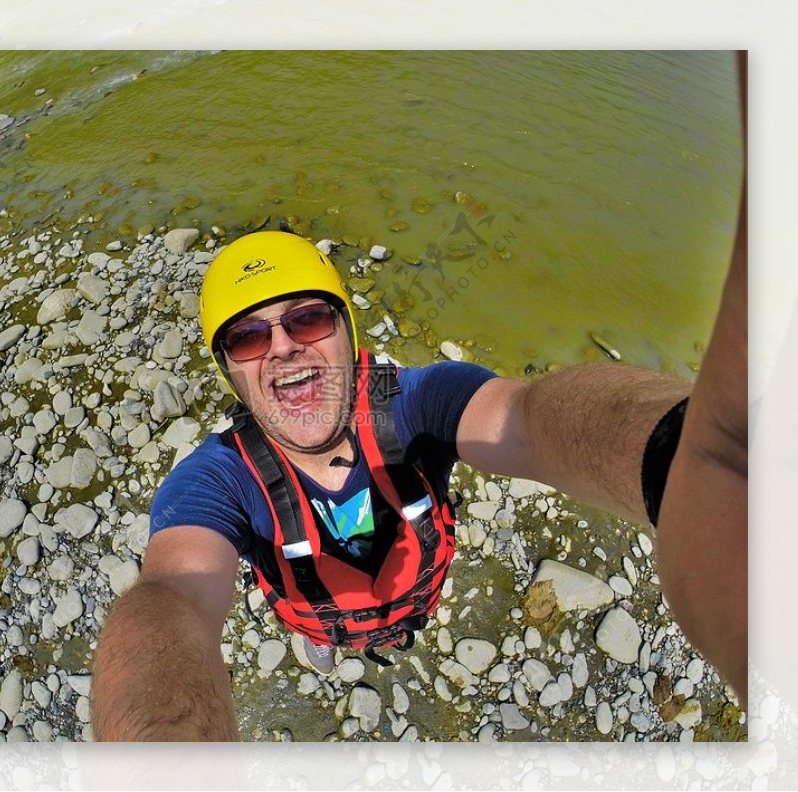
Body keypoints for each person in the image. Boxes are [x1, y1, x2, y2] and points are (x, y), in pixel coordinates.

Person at [91, 198, 747, 741]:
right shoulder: (215, 482)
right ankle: (335, 645)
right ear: (229, 371)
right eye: (248, 336)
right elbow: (173, 594)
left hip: (412, 600)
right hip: (322, 616)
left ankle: (389, 635)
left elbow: (526, 420)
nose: (284, 346)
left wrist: (689, 458)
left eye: (308, 317)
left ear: (348, 328)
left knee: (401, 629)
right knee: (327, 640)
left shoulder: (423, 403)